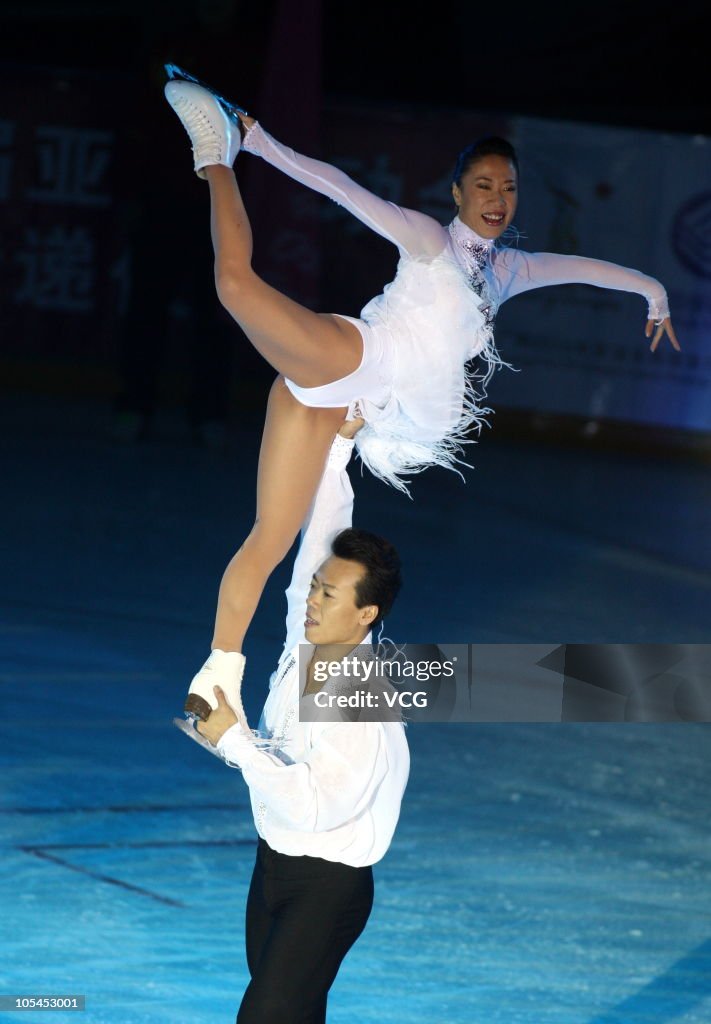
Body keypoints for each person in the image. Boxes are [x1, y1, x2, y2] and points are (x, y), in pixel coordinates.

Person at [163, 66, 680, 710]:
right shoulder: (430, 240)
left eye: (509, 187)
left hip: (342, 404)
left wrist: (654, 294)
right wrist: (260, 141)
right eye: (483, 185)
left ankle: (217, 681)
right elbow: (344, 190)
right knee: (235, 287)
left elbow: (590, 270)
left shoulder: (511, 271)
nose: (497, 197)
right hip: (352, 356)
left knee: (272, 537)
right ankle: (215, 151)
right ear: (458, 193)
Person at [193, 425, 409, 1024]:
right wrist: (337, 452)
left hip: (327, 889)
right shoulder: (308, 641)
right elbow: (320, 540)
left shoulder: (361, 700)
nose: (313, 600)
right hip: (272, 871)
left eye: (329, 596)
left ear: (366, 615)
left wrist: (234, 741)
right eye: (315, 590)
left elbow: (313, 805)